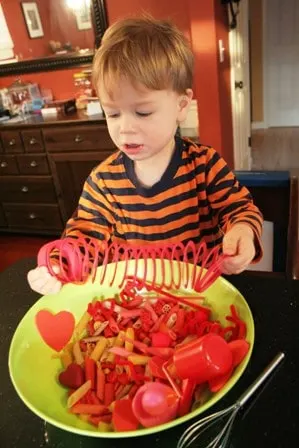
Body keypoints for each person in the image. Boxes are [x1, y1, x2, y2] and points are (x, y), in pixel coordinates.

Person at [27, 16, 263, 295]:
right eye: (112, 113)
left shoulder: (205, 166)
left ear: (181, 105)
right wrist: (57, 266)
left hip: (201, 294)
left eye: (143, 112)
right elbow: (82, 237)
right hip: (135, 302)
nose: (125, 127)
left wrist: (243, 232)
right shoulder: (103, 182)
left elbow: (240, 209)